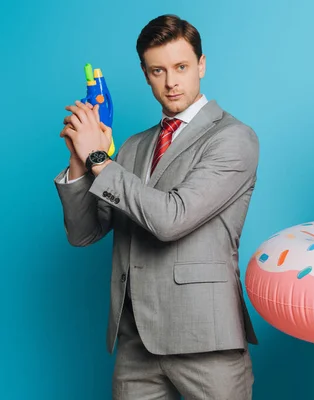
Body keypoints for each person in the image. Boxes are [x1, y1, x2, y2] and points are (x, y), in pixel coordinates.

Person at [54, 14, 258, 400]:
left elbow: (171, 218)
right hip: (136, 343)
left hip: (205, 339)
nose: (171, 81)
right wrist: (80, 163)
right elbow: (84, 234)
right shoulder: (132, 146)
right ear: (146, 74)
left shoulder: (233, 138)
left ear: (201, 64)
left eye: (181, 67)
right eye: (158, 70)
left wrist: (98, 156)